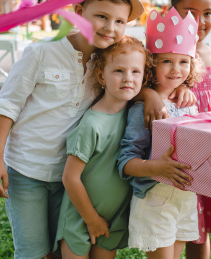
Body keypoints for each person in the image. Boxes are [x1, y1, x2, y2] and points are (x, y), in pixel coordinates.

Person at [0, 0, 194, 259]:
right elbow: (7, 106)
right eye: (102, 16)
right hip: (27, 169)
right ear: (79, 11)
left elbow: (128, 81)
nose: (110, 27)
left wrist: (149, 94)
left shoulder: (105, 60)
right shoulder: (41, 53)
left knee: (60, 247)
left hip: (68, 175)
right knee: (33, 251)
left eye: (119, 21)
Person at [117, 7, 205, 259]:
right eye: (166, 61)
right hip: (155, 200)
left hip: (184, 198)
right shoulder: (142, 108)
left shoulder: (187, 102)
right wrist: (158, 167)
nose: (176, 69)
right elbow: (125, 162)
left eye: (183, 62)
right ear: (151, 64)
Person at [55, 37, 150, 259]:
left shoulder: (134, 114)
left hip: (114, 217)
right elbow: (70, 178)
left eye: (136, 72)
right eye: (119, 70)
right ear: (101, 76)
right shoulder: (91, 124)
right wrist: (91, 219)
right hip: (80, 217)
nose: (128, 78)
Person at [170, 0, 211, 259]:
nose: (200, 21)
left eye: (207, 13)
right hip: (182, 150)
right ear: (172, 13)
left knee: (203, 225)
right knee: (183, 220)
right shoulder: (166, 56)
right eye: (190, 12)